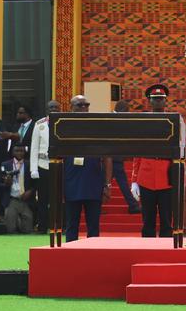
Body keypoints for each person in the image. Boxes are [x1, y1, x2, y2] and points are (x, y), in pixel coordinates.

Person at [63, 95, 112, 242]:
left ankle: (93, 254)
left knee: (93, 225)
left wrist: (107, 184)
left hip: (93, 182)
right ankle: (70, 253)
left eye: (86, 105)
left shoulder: (97, 127)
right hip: (71, 182)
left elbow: (107, 157)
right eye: (79, 105)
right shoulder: (64, 126)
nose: (84, 108)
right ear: (71, 107)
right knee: (72, 224)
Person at [131, 84, 175, 237]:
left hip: (166, 175)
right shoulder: (143, 121)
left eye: (161, 99)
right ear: (149, 101)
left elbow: (179, 149)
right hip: (146, 176)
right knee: (147, 219)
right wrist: (134, 180)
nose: (158, 102)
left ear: (165, 101)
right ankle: (147, 247)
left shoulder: (173, 121)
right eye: (155, 99)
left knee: (166, 219)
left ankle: (167, 249)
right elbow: (137, 151)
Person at [30, 100, 60, 233]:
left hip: (59, 165)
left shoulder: (64, 122)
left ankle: (59, 226)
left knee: (59, 198)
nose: (53, 109)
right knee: (43, 198)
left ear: (60, 109)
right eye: (50, 107)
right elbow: (34, 148)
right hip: (43, 165)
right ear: (46, 109)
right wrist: (33, 168)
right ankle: (42, 226)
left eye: (55, 107)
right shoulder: (39, 125)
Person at [110, 100, 142, 214]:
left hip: (115, 157)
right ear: (123, 111)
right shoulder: (111, 119)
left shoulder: (112, 118)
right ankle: (132, 205)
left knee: (119, 182)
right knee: (121, 183)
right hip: (111, 158)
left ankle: (132, 205)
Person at [0, 144, 35, 234]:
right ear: (12, 152)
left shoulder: (30, 164)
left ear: (25, 152)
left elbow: (36, 183)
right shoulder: (5, 165)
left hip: (26, 200)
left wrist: (30, 191)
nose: (19, 153)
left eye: (21, 151)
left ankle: (20, 223)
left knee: (27, 230)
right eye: (17, 151)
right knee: (10, 229)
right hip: (12, 200)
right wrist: (6, 184)